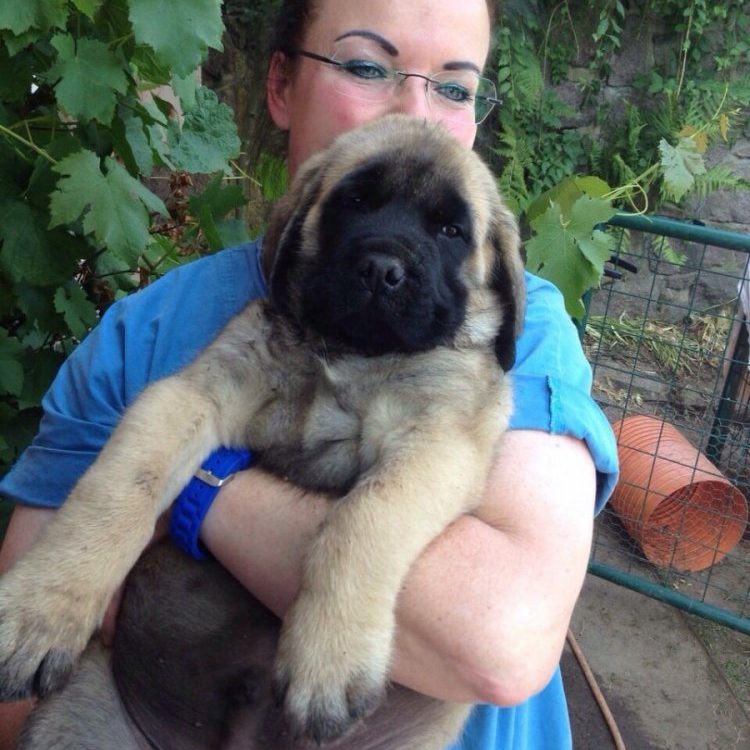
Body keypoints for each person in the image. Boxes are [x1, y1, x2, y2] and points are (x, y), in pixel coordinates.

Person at [0, 0, 619, 748]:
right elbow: (17, 677)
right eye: (367, 66)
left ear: (497, 277)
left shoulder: (518, 336)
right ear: (281, 86)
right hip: (141, 714)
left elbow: (501, 638)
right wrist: (72, 578)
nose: (390, 260)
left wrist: (203, 491)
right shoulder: (157, 331)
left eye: (455, 86)